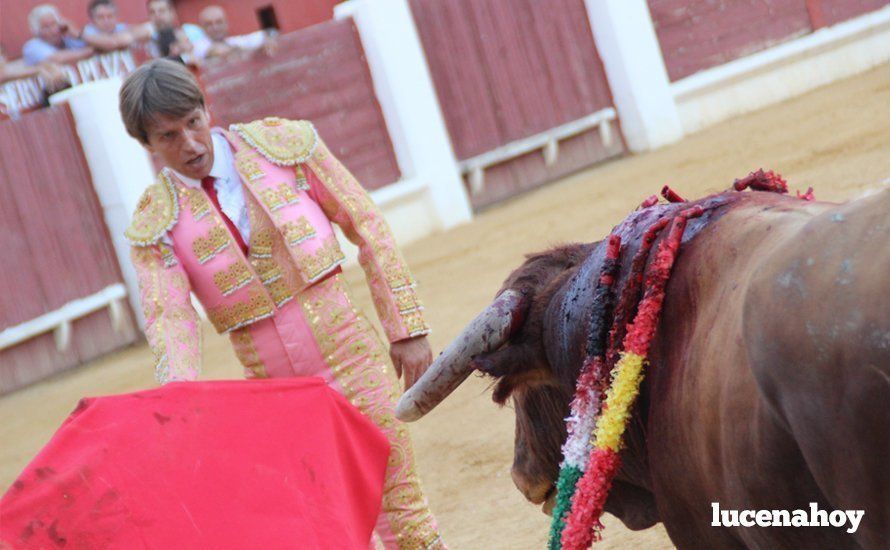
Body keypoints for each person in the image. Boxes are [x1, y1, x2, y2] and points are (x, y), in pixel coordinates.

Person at [120, 59, 444, 550]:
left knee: (401, 510)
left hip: (354, 361)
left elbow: (367, 224)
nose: (189, 144)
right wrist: (177, 401)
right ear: (146, 145)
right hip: (277, 395)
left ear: (207, 109)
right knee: (330, 530)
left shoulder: (284, 148)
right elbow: (170, 318)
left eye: (193, 123)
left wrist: (406, 328)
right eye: (167, 136)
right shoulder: (156, 224)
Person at [197, 5, 276, 62]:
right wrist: (255, 50)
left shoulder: (234, 41)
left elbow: (267, 34)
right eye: (209, 24)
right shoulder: (199, 46)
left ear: (226, 23)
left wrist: (266, 42)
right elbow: (219, 51)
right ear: (202, 27)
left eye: (219, 22)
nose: (215, 28)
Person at [22, 5, 94, 66]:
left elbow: (95, 43)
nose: (53, 30)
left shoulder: (67, 36)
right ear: (37, 31)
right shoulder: (32, 46)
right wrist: (92, 51)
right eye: (46, 27)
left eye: (54, 24)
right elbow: (58, 59)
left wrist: (76, 33)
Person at [82, 0, 152, 53]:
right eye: (100, 17)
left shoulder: (120, 27)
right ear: (92, 20)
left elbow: (146, 30)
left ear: (116, 16)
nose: (106, 21)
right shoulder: (88, 31)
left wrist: (121, 40)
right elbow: (110, 44)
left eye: (110, 16)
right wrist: (123, 40)